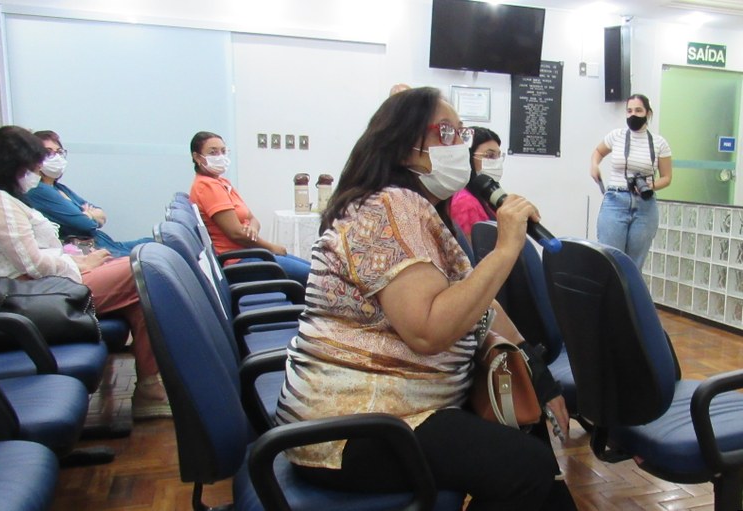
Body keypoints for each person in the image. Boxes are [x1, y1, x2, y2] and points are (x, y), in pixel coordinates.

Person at [275, 87, 571, 510]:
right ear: (402, 147)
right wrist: (506, 249)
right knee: (527, 468)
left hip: (393, 408)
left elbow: (479, 305)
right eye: (444, 132)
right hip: (355, 426)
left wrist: (536, 372)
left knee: (532, 448)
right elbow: (428, 331)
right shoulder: (388, 208)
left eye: (461, 133)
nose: (459, 146)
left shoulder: (412, 208)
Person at [0, 126, 170, 420]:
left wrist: (78, 261)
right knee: (146, 268)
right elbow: (33, 264)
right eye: (32, 166)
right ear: (12, 165)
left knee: (140, 296)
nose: (37, 172)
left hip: (44, 287)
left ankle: (150, 388)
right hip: (33, 296)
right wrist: (81, 265)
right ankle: (153, 388)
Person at [188, 131, 311, 286]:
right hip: (238, 260)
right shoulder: (207, 186)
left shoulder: (222, 183)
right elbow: (236, 234)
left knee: (317, 271)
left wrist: (252, 229)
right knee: (316, 278)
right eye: (213, 152)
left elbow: (252, 219)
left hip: (251, 252)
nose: (220, 156)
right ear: (197, 157)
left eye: (223, 151)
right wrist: (271, 247)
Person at [24, 130, 152, 258]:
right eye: (48, 152)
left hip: (104, 243)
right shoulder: (39, 190)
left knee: (154, 243)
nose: (56, 157)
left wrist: (87, 215)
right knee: (149, 256)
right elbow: (85, 225)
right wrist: (89, 215)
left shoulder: (59, 188)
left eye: (59, 152)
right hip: (87, 251)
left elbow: (101, 215)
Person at [590, 93, 673, 270]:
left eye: (638, 110)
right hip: (615, 200)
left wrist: (651, 185)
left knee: (633, 266)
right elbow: (598, 152)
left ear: (648, 113)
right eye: (629, 111)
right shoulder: (616, 136)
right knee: (610, 261)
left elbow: (667, 178)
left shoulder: (659, 143)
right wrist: (594, 165)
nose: (633, 114)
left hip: (645, 204)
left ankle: (630, 290)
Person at [450, 127, 505, 244]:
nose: (497, 162)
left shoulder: (485, 195)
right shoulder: (465, 203)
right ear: (468, 157)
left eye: (499, 156)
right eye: (489, 155)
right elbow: (474, 252)